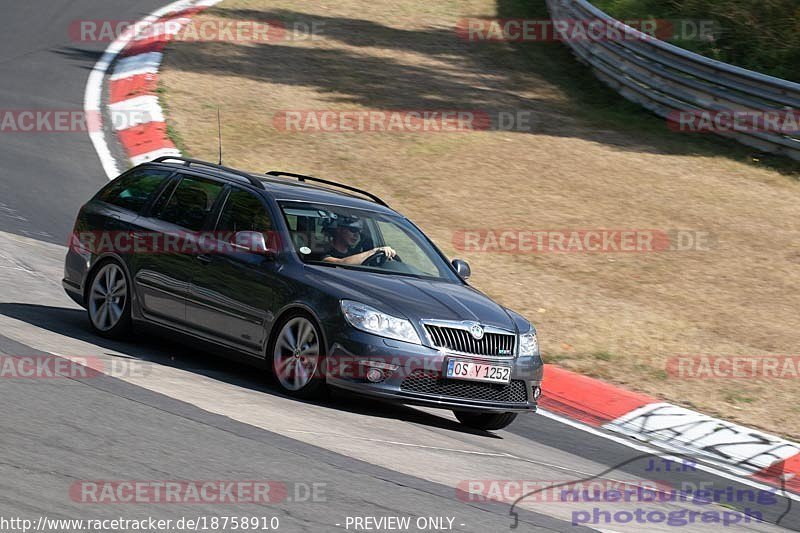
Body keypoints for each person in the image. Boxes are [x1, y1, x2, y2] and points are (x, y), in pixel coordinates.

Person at [322, 216, 396, 265]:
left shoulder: (356, 253)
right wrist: (374, 251)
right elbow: (341, 262)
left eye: (359, 232)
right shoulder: (323, 252)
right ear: (340, 230)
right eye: (353, 230)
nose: (356, 235)